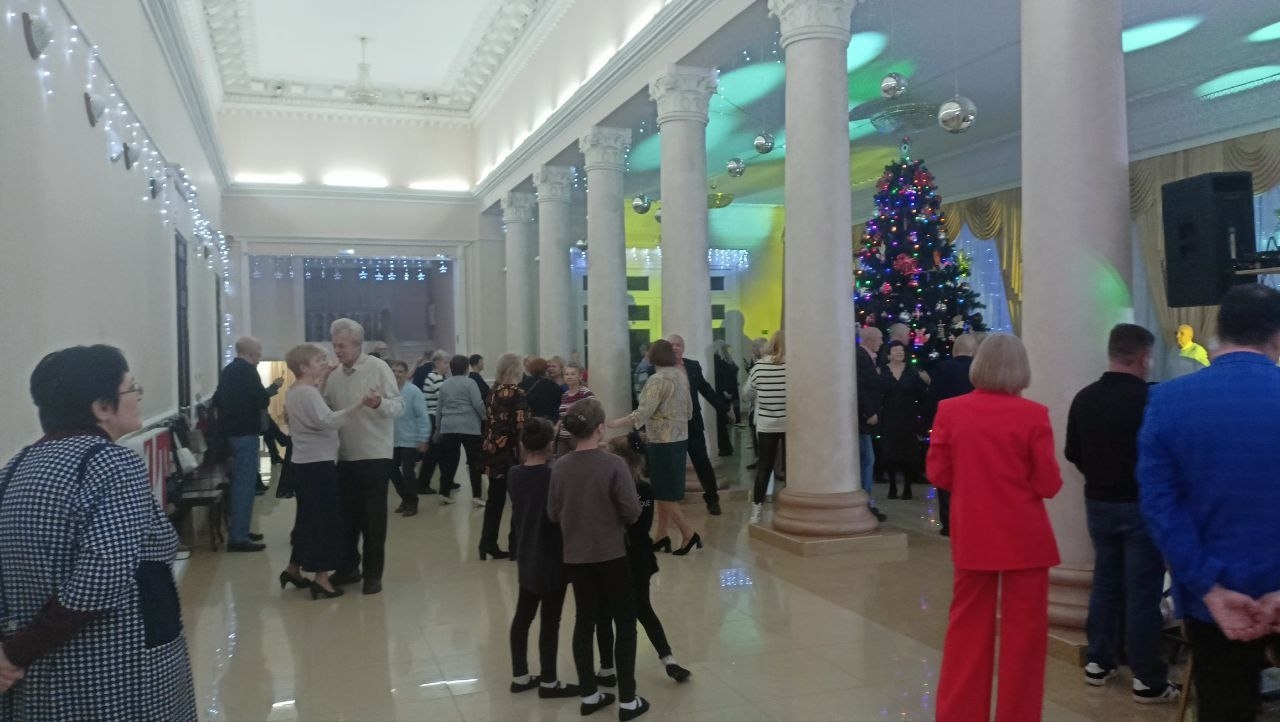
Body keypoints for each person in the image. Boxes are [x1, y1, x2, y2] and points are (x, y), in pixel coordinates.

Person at [0, 345, 196, 718]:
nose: (139, 397)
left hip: (38, 675)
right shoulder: (111, 463)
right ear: (102, 407)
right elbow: (105, 573)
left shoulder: (15, 467)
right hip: (115, 670)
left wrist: (11, 651)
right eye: (132, 388)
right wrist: (16, 653)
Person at [1138, 284, 1280, 722]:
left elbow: (1160, 508)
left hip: (1212, 602)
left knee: (1223, 709)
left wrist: (1210, 588)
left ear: (1219, 330)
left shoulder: (1167, 401)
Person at [927, 333, 1063, 722]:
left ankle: (959, 714)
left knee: (966, 629)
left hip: (973, 533)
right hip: (1025, 538)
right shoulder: (1034, 415)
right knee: (1025, 638)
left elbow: (938, 473)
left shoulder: (950, 410)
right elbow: (1048, 484)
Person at [1065, 324, 1180, 703]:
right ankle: (1147, 678)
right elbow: (1169, 455)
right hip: (1142, 506)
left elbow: (1073, 452)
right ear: (1144, 357)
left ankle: (1099, 661)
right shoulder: (1152, 400)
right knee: (1142, 592)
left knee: (1105, 583)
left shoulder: (1084, 398)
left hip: (1098, 503)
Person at [549, 398, 648, 720]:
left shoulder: (560, 467)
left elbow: (553, 513)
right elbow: (632, 512)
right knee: (625, 620)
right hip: (611, 553)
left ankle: (589, 694)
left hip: (576, 555)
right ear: (601, 428)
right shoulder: (614, 465)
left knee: (584, 620)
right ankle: (628, 700)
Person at [279, 344, 377, 599]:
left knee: (306, 518)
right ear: (304, 367)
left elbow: (316, 410)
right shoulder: (307, 393)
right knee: (323, 521)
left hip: (304, 463)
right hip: (317, 465)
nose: (325, 362)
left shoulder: (296, 390)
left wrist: (322, 379)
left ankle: (293, 568)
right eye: (319, 360)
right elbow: (328, 420)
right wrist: (360, 403)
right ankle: (321, 578)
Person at [595, 434, 692, 685]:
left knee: (605, 612)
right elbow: (642, 526)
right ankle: (669, 659)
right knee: (644, 609)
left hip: (615, 557)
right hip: (641, 558)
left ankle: (607, 668)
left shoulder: (611, 489)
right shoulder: (646, 489)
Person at [322, 318, 405, 596]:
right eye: (335, 345)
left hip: (374, 455)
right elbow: (328, 411)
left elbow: (399, 406)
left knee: (373, 520)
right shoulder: (334, 376)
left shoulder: (377, 368)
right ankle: (348, 568)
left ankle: (373, 575)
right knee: (346, 519)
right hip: (345, 456)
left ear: (357, 344)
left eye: (342, 345)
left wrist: (379, 403)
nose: (337, 351)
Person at [507, 418, 580, 699]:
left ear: (523, 443)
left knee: (522, 617)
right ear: (551, 444)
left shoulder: (514, 474)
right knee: (551, 620)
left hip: (526, 554)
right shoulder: (553, 476)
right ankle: (549, 681)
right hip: (553, 556)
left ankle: (520, 675)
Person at [607, 340, 700, 556]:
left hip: (661, 441)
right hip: (679, 438)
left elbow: (643, 412)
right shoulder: (680, 375)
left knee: (662, 491)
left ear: (653, 355)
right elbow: (689, 410)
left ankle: (688, 533)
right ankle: (661, 535)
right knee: (665, 490)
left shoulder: (657, 380)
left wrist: (615, 423)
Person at [214, 335, 282, 551]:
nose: (260, 357)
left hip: (231, 434)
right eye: (259, 353)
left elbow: (217, 399)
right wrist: (269, 391)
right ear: (251, 353)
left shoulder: (227, 371)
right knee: (245, 485)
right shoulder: (248, 371)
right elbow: (262, 399)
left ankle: (240, 529)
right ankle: (238, 538)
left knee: (240, 484)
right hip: (245, 434)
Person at [666, 334, 729, 516]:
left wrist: (723, 408)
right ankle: (670, 500)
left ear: (683, 347)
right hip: (671, 426)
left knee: (702, 463)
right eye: (672, 345)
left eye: (678, 345)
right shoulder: (660, 368)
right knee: (672, 464)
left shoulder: (692, 366)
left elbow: (705, 389)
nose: (675, 348)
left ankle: (712, 500)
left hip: (693, 424)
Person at [926, 333, 980, 535]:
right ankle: (971, 519)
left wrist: (927, 424)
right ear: (974, 351)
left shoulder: (942, 368)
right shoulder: (979, 369)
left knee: (946, 474)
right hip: (975, 430)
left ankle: (949, 524)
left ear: (955, 350)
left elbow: (932, 398)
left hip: (947, 427)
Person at [480, 353, 528, 558]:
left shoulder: (492, 392)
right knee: (518, 500)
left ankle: (486, 543)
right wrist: (524, 453)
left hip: (493, 451)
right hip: (511, 453)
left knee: (494, 500)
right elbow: (521, 427)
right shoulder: (518, 393)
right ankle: (515, 545)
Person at [742, 330, 786, 524]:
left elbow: (747, 394)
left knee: (764, 466)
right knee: (793, 469)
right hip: (791, 423)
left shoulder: (759, 366)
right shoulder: (794, 366)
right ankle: (792, 506)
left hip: (766, 423)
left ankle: (756, 511)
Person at [878, 340, 928, 500]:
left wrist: (927, 381)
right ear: (888, 354)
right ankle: (892, 485)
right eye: (895, 350)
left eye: (901, 350)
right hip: (889, 417)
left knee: (909, 454)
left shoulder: (912, 371)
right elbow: (877, 393)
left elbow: (923, 394)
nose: (899, 352)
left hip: (908, 417)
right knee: (889, 452)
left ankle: (907, 487)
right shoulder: (881, 371)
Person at [437, 354, 487, 507]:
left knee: (449, 461)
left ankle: (444, 493)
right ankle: (477, 496)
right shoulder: (470, 383)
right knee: (474, 462)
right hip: (469, 427)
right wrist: (485, 418)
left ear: (451, 368)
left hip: (448, 427)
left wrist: (438, 428)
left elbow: (439, 408)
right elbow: (478, 403)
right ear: (466, 368)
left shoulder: (445, 384)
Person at [388, 359, 430, 517]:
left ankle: (412, 502)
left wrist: (423, 437)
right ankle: (406, 498)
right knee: (391, 470)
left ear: (406, 374)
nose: (397, 374)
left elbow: (422, 416)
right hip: (392, 440)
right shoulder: (387, 391)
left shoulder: (414, 391)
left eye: (400, 371)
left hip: (410, 439)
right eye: (394, 371)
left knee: (407, 471)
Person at [855, 327, 887, 522]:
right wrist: (870, 412)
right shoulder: (861, 357)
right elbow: (861, 387)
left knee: (867, 459)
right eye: (879, 338)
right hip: (863, 419)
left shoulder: (867, 357)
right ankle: (863, 502)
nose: (882, 342)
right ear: (869, 339)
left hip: (864, 417)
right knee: (867, 459)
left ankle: (864, 501)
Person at [416, 350, 450, 495]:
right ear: (436, 363)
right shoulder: (435, 378)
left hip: (434, 417)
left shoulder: (436, 377)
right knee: (433, 454)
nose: (447, 366)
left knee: (441, 454)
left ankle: (447, 481)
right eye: (445, 362)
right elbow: (445, 398)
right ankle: (422, 484)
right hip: (434, 418)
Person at [555, 362, 594, 457]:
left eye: (573, 374)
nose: (569, 377)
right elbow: (562, 416)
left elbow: (593, 412)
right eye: (566, 374)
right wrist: (556, 427)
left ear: (580, 376)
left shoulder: (585, 393)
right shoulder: (564, 395)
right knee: (561, 461)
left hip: (578, 436)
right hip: (563, 436)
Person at [712, 340, 740, 455]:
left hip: (723, 393)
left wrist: (724, 390)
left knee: (721, 422)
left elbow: (719, 377)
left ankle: (725, 448)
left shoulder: (717, 360)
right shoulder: (727, 360)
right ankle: (726, 447)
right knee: (722, 421)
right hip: (729, 391)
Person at [521, 357, 563, 422]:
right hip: (547, 421)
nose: (550, 369)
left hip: (528, 420)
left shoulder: (523, 383)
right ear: (545, 369)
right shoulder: (553, 385)